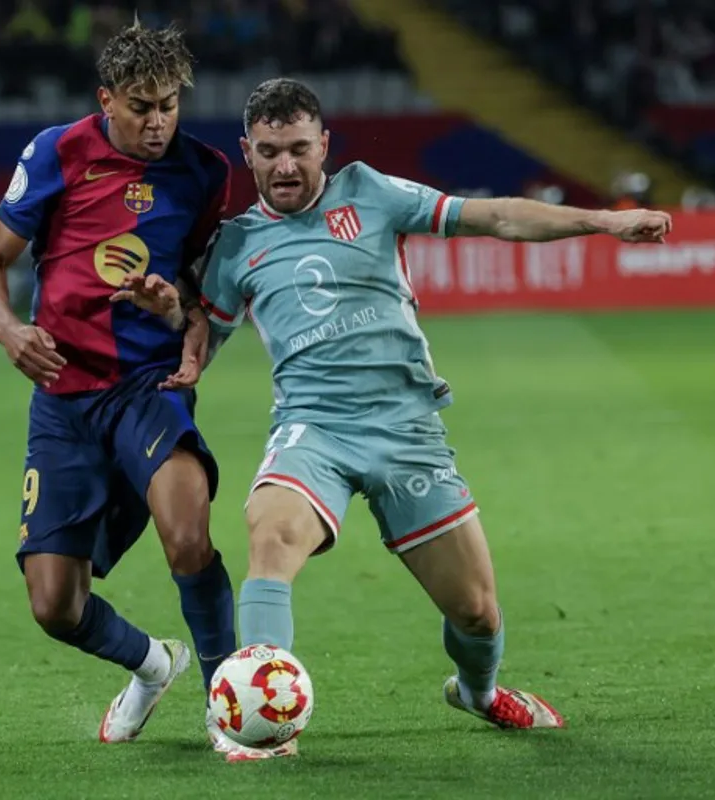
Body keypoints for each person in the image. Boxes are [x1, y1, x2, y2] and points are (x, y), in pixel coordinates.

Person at [113, 77, 673, 761]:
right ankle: (260, 724)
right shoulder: (235, 246)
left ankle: (477, 689)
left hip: (407, 430)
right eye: (268, 152)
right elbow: (203, 328)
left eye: (297, 149)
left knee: (475, 611)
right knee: (270, 533)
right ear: (247, 152)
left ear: (324, 144)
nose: (284, 166)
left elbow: (494, 217)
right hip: (312, 428)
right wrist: (175, 317)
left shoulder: (371, 193)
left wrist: (606, 221)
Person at [0, 21, 239, 749]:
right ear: (107, 100)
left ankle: (229, 703)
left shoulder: (205, 171)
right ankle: (153, 664)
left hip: (149, 385)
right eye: (142, 106)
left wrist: (177, 305)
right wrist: (8, 331)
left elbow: (200, 285)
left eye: (170, 105)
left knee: (189, 538)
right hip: (63, 397)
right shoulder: (58, 151)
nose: (158, 122)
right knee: (55, 605)